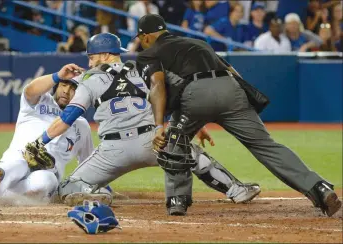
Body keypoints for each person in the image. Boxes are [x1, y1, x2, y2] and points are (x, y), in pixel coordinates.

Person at [23, 33, 261, 214]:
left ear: (105, 55)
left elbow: (67, 118)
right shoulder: (142, 71)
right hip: (152, 142)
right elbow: (168, 101)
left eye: (92, 56)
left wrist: (41, 140)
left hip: (112, 151)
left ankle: (90, 194)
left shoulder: (88, 80)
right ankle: (236, 189)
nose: (90, 60)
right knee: (193, 155)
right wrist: (196, 126)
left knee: (68, 187)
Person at [134, 13, 341, 217]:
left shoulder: (149, 53)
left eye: (140, 40)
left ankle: (177, 200)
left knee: (173, 143)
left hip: (195, 95)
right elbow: (232, 71)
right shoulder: (198, 43)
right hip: (231, 90)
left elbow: (157, 85)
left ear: (146, 37)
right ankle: (320, 188)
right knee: (266, 146)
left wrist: (159, 126)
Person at [0, 64, 95, 204]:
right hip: (19, 156)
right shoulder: (40, 101)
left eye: (73, 88)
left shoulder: (82, 126)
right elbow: (30, 89)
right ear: (57, 85)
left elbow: (88, 165)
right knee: (15, 166)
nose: (66, 91)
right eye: (64, 84)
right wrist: (57, 75)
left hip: (50, 171)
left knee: (45, 182)